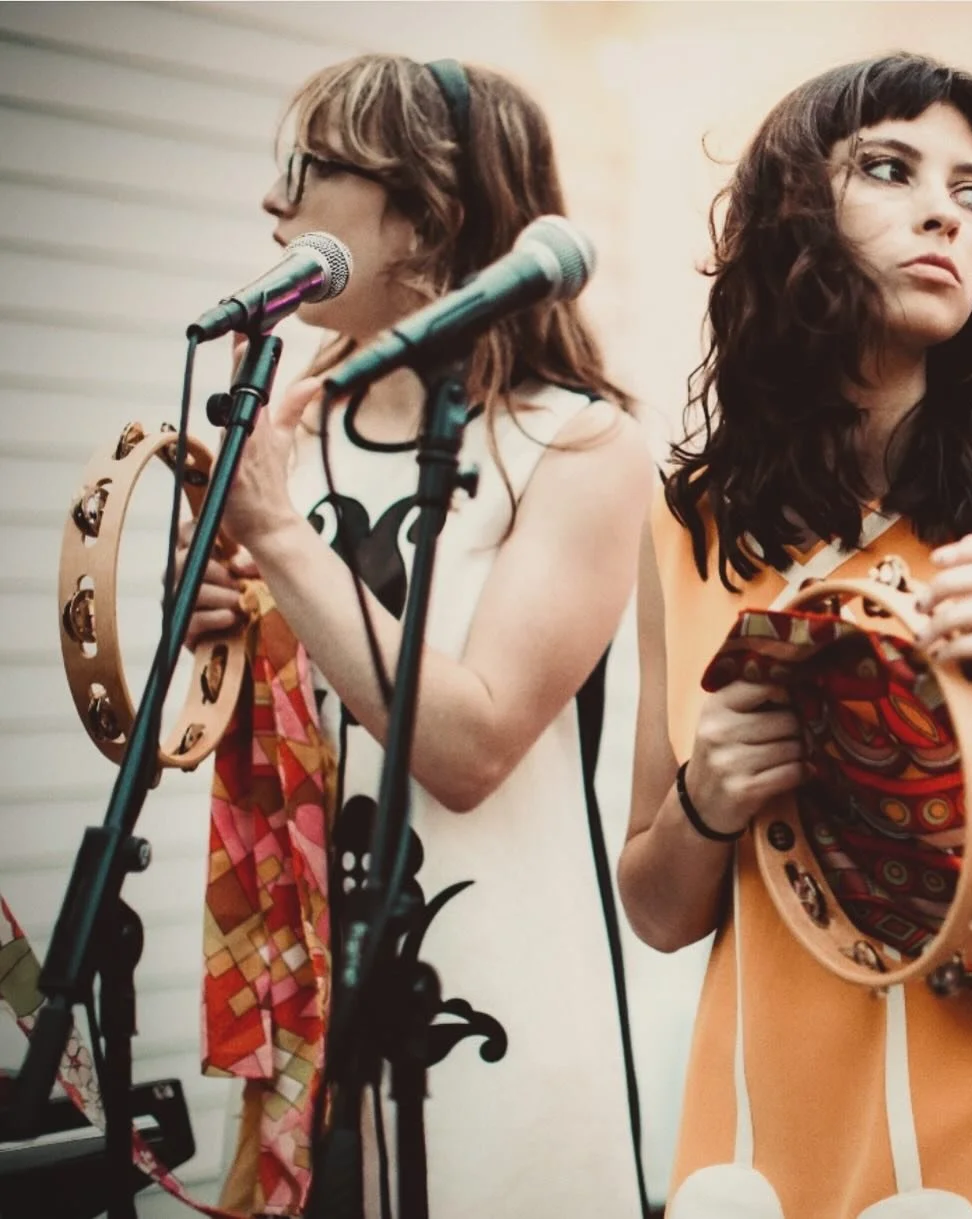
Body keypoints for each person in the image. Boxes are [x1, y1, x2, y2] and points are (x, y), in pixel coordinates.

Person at [618, 52, 972, 1219]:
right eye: (888, 169)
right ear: (786, 221)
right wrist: (703, 798)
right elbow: (656, 907)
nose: (945, 211)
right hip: (756, 1146)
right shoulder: (688, 525)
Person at [180, 53, 651, 1219]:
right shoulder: (286, 428)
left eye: (310, 168)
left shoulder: (580, 447)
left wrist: (281, 542)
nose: (270, 202)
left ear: (425, 215)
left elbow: (470, 745)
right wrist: (210, 631)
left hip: (500, 1027)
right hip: (309, 1028)